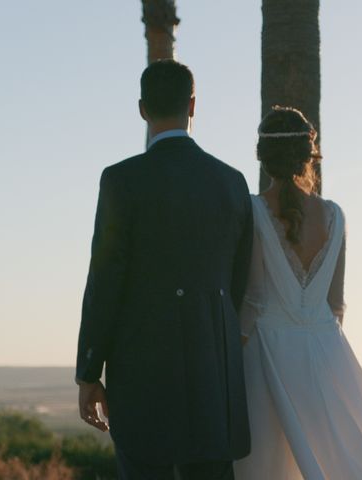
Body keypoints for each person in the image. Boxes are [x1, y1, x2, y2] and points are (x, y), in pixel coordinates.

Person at [233, 106, 362, 480]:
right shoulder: (335, 216)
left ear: (263, 158)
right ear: (310, 156)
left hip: (267, 354)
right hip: (327, 350)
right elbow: (336, 305)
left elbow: (256, 298)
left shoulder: (253, 210)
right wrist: (321, 346)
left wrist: (231, 351)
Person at [75, 59, 253, 480]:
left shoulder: (121, 180)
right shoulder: (231, 181)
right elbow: (238, 279)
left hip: (141, 369)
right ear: (193, 105)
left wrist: (88, 371)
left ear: (141, 109)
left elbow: (105, 279)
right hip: (214, 366)